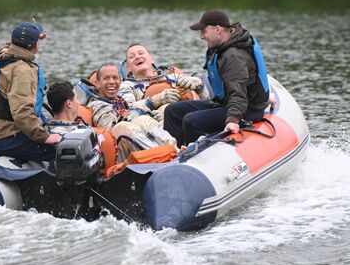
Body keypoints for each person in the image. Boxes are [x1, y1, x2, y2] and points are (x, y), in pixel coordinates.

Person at [164, 10, 270, 146]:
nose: (201, 36)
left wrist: (233, 120)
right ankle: (173, 153)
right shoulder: (220, 47)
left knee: (191, 120)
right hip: (224, 103)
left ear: (218, 29)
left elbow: (238, 93)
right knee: (172, 111)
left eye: (204, 31)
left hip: (246, 109)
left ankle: (192, 158)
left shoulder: (233, 56)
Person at [0, 21, 62, 162]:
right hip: (9, 139)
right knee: (65, 151)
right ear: (35, 45)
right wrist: (45, 137)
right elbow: (21, 111)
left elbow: (12, 44)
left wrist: (33, 33)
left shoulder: (4, 55)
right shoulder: (21, 71)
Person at [87, 63, 177, 161]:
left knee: (144, 119)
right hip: (116, 153)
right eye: (106, 78)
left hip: (132, 145)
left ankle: (175, 151)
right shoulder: (96, 105)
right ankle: (162, 156)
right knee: (123, 126)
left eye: (115, 78)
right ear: (97, 83)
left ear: (120, 81)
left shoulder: (119, 101)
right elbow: (111, 130)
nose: (112, 82)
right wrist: (139, 110)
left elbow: (130, 114)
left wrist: (151, 114)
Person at [118, 44, 208, 118]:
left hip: (192, 115)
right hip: (155, 123)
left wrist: (199, 86)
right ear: (129, 67)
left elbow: (206, 101)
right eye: (132, 57)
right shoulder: (126, 86)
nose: (137, 57)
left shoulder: (174, 77)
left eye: (141, 53)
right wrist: (156, 100)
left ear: (151, 59)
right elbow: (128, 112)